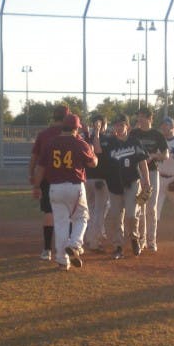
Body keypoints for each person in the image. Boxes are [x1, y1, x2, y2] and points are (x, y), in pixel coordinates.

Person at [32, 113, 97, 270]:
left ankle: (62, 260)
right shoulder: (80, 143)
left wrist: (36, 186)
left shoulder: (51, 143)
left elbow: (40, 167)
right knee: (81, 217)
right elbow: (93, 164)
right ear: (75, 128)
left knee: (61, 223)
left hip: (55, 187)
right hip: (74, 186)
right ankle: (74, 244)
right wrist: (93, 153)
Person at [96, 113, 151, 259]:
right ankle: (118, 246)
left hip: (132, 182)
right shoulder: (109, 143)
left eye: (122, 125)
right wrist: (96, 132)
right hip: (114, 185)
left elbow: (143, 162)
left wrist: (147, 180)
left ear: (128, 126)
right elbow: (97, 151)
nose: (119, 128)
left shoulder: (134, 142)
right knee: (116, 217)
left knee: (132, 214)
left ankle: (134, 238)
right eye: (117, 125)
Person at [28, 104, 69, 261]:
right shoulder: (71, 134)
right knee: (69, 215)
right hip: (67, 179)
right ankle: (66, 249)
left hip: (46, 178)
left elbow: (34, 158)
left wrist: (32, 176)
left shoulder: (43, 134)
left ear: (53, 117)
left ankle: (46, 249)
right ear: (66, 118)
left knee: (49, 212)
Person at [128, 107, 168, 252]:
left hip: (152, 172)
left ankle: (152, 240)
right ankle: (141, 239)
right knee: (140, 207)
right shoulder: (134, 133)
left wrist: (154, 156)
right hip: (136, 173)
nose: (140, 119)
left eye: (143, 116)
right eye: (139, 116)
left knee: (151, 207)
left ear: (150, 119)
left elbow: (166, 154)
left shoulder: (157, 135)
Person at [83, 114, 110, 252]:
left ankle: (89, 237)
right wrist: (98, 132)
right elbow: (98, 151)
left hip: (87, 178)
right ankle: (94, 240)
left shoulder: (86, 138)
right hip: (98, 179)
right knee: (99, 210)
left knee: (93, 210)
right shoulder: (104, 138)